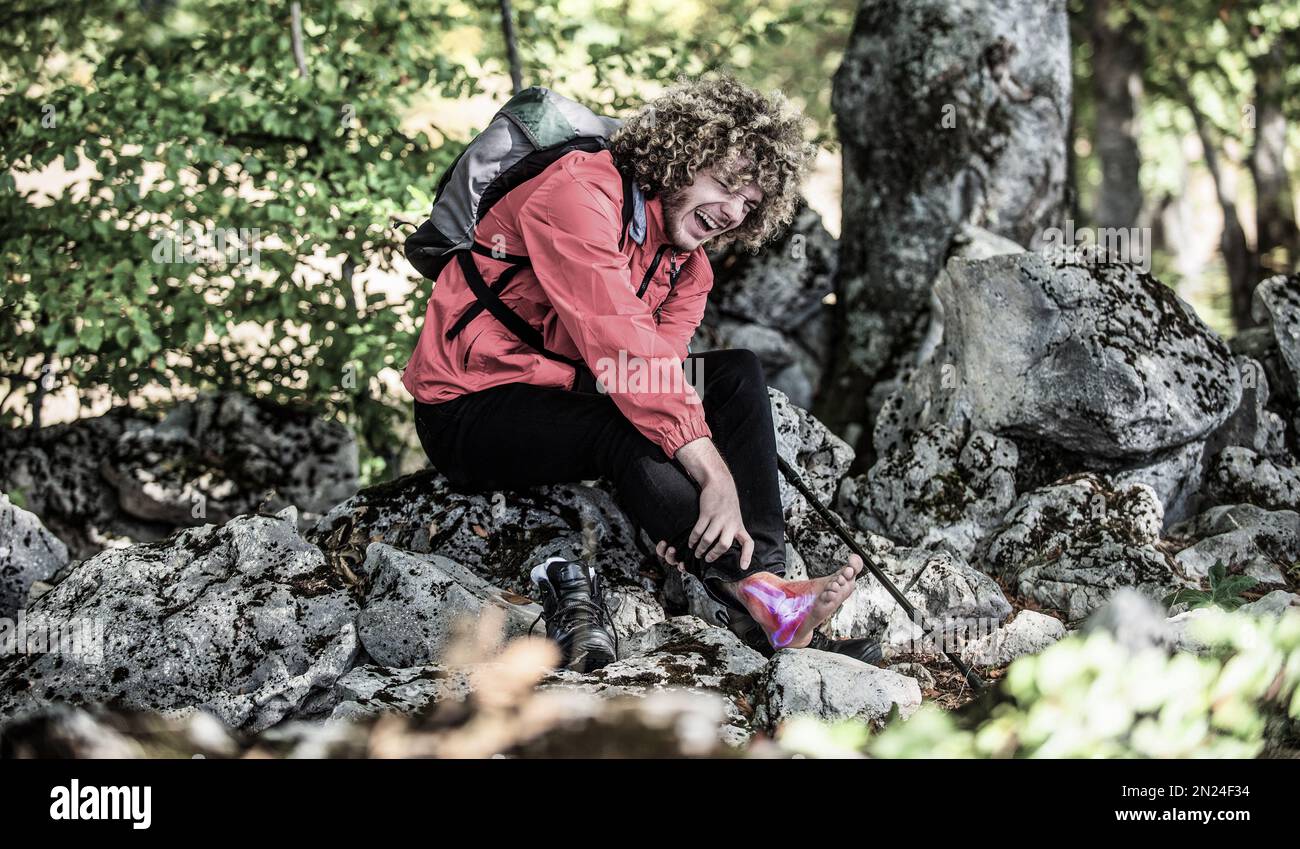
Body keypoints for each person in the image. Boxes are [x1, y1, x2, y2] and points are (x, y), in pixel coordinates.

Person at [402, 75, 878, 671]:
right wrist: (712, 475)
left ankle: (770, 584)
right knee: (624, 430)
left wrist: (666, 504)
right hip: (471, 408)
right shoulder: (577, 192)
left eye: (749, 204)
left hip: (572, 395)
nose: (732, 212)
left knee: (732, 375)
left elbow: (664, 379)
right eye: (726, 184)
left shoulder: (690, 270)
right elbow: (624, 350)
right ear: (682, 155)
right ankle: (755, 591)